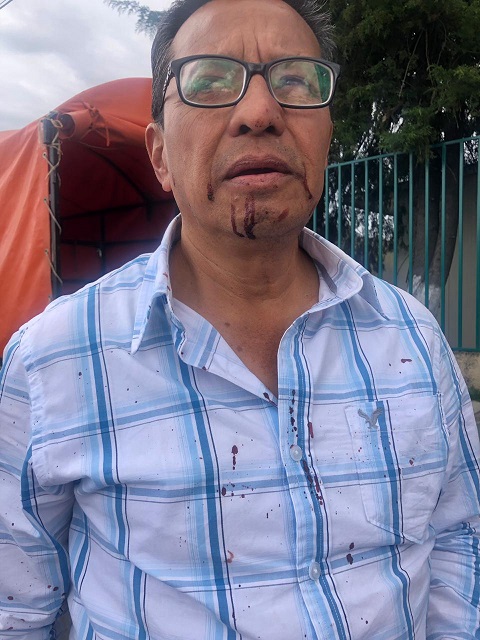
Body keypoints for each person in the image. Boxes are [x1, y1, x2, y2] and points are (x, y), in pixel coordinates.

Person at [1, 0, 479, 637]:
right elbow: (15, 609)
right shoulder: (55, 359)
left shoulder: (414, 338)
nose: (260, 112)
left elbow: (457, 541)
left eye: (295, 80)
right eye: (209, 81)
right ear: (160, 155)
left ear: (326, 136)